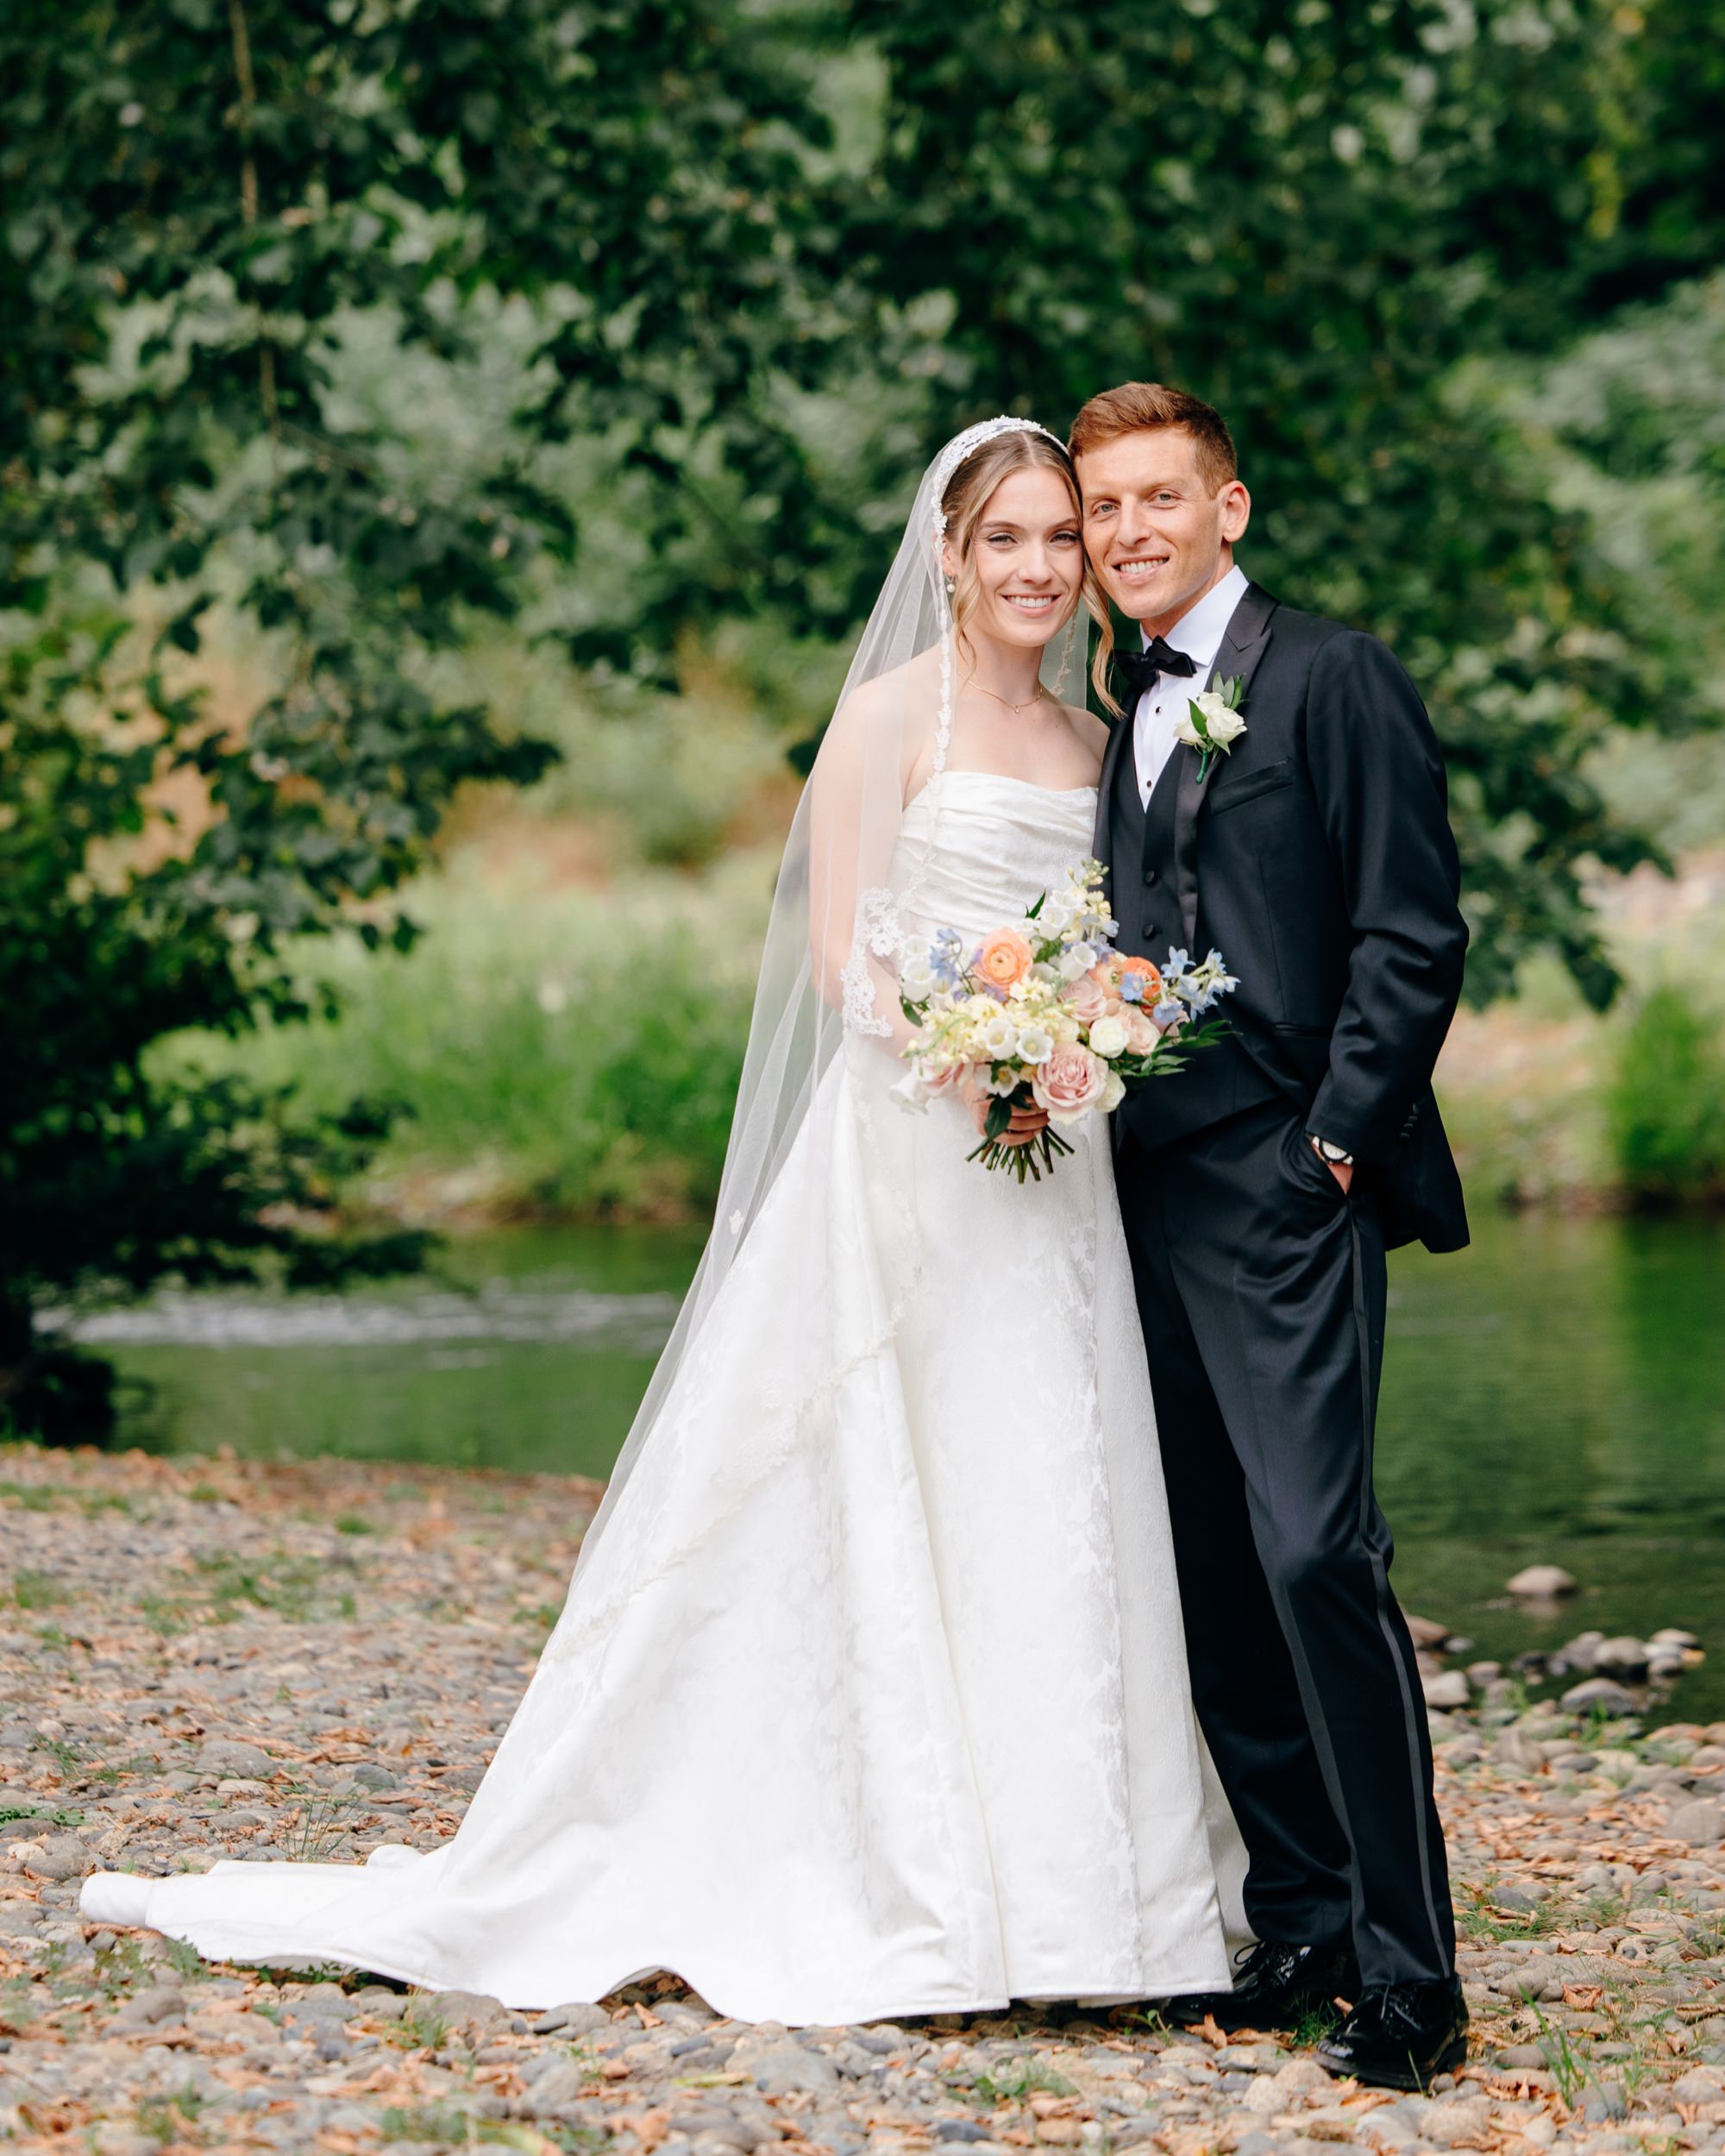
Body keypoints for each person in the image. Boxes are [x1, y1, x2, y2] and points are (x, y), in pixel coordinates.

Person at [81, 418, 1247, 2026]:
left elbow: (1117, 933)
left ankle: (1082, 1906)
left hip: (1054, 1181)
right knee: (891, 1480)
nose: (1044, 568)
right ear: (953, 558)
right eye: (1012, 541)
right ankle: (910, 1888)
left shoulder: (1094, 731)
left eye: (1063, 539)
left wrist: (1078, 1037)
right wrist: (981, 1053)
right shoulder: (884, 720)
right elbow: (845, 955)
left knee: (1052, 1479)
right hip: (917, 1152)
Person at [1071, 380, 1471, 2089]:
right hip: (1136, 1185)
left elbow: (1411, 929)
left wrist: (1333, 1138)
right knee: (1215, 1569)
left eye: (1159, 498)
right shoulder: (1123, 705)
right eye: (1104, 512)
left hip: (1287, 1180)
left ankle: (1410, 1972)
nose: (1128, 532)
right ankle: (1297, 1919)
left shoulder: (1330, 675)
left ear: (1227, 509)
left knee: (1318, 1552)